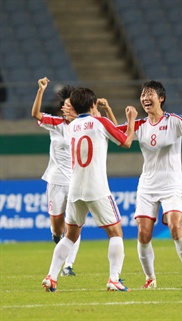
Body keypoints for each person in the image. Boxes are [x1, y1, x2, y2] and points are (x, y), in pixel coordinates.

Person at [117, 80, 182, 290]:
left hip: (171, 185)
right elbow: (116, 133)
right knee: (143, 234)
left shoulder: (174, 121)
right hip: (147, 187)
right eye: (143, 94)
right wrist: (102, 116)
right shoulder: (140, 125)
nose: (145, 98)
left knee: (175, 226)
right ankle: (150, 279)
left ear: (161, 98)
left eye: (149, 94)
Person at [41, 87, 137, 292]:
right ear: (93, 105)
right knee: (116, 233)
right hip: (97, 188)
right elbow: (127, 142)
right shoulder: (100, 122)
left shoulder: (72, 126)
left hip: (75, 188)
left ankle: (51, 276)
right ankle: (113, 279)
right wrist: (131, 120)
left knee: (70, 236)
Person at [32, 78, 119, 277]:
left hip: (76, 180)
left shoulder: (88, 123)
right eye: (64, 105)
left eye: (69, 105)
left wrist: (106, 110)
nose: (65, 108)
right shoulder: (57, 124)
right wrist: (41, 90)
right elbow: (36, 114)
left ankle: (68, 265)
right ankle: (58, 243)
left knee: (74, 225)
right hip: (55, 180)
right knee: (57, 229)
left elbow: (114, 131)